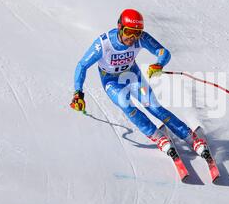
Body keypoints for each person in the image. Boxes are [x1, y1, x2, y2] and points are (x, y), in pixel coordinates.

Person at [71, 9, 210, 161]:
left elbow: (163, 52)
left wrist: (159, 64)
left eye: (136, 33)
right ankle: (157, 136)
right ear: (120, 27)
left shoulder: (140, 38)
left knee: (154, 107)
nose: (132, 38)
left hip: (133, 75)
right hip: (111, 81)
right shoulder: (104, 44)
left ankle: (190, 137)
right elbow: (82, 65)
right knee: (126, 104)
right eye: (129, 31)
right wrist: (78, 93)